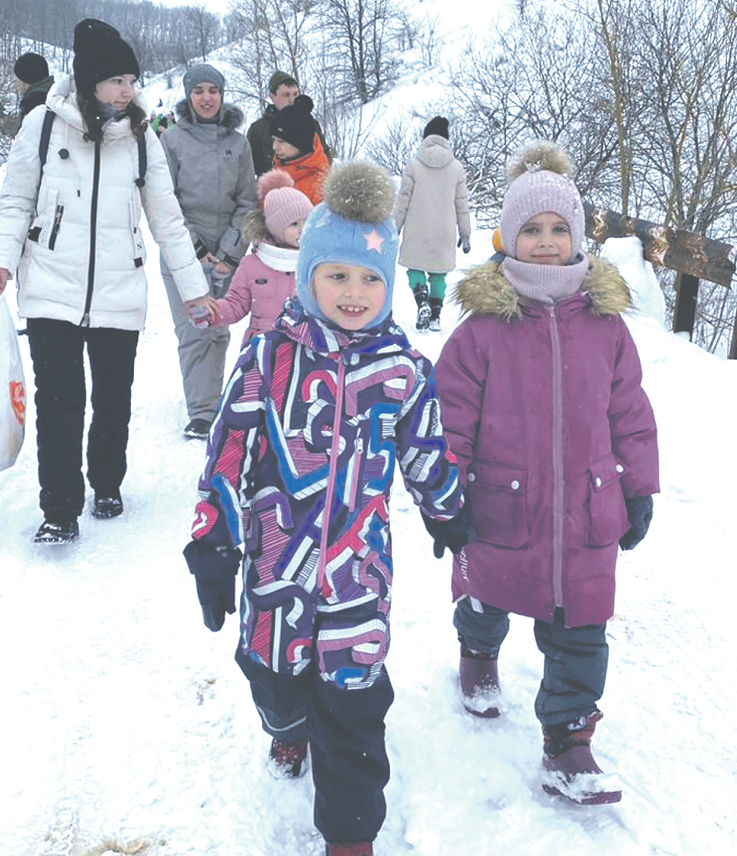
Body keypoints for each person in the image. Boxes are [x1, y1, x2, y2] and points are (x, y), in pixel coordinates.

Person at [183, 161, 468, 856]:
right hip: (277, 573)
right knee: (278, 690)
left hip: (356, 578)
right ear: (307, 273)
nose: (354, 291)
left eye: (371, 278)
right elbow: (226, 457)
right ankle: (285, 730)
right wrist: (212, 542)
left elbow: (426, 449)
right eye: (337, 274)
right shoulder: (267, 359)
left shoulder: (403, 369)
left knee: (354, 705)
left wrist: (448, 508)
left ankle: (350, 835)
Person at [434, 141, 659, 805]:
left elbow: (631, 412)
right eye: (530, 229)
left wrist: (639, 486)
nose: (545, 241)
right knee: (488, 596)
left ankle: (568, 742)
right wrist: (445, 497)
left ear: (579, 237)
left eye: (559, 229)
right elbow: (449, 419)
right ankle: (477, 653)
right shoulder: (481, 329)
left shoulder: (606, 325)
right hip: (503, 505)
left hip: (587, 510)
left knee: (583, 629)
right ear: (509, 237)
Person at [0, 19, 210, 545]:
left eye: (131, 80)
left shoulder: (143, 139)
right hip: (50, 289)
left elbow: (167, 219)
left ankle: (106, 481)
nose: (128, 90)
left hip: (118, 288)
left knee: (112, 396)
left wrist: (195, 289)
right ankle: (59, 508)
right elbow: (15, 201)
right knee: (59, 400)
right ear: (89, 82)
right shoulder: (41, 126)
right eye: (117, 80)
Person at [158, 63, 258, 440]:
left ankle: (213, 400)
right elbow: (164, 202)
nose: (205, 97)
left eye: (212, 90)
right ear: (188, 95)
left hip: (227, 250)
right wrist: (195, 249)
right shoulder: (172, 140)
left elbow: (248, 202)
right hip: (182, 250)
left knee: (219, 330)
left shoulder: (238, 143)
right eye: (197, 90)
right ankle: (202, 413)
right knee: (195, 329)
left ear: (222, 94)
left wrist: (230, 251)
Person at [199, 169, 313, 343]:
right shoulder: (253, 265)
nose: (302, 229)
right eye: (294, 224)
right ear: (276, 228)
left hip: (304, 350)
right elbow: (235, 304)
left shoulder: (315, 263)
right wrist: (211, 312)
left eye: (307, 221)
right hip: (262, 349)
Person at [392, 116, 471, 333]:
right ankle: (435, 316)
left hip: (417, 228)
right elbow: (461, 203)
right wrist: (465, 234)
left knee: (415, 268)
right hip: (444, 230)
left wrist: (394, 228)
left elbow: (403, 199)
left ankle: (421, 300)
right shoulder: (456, 167)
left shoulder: (414, 164)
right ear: (446, 139)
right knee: (439, 273)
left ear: (426, 137)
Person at [246, 70, 334, 178]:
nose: (292, 100)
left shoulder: (310, 124)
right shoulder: (258, 129)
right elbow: (249, 169)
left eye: (295, 94)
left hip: (309, 188)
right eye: (286, 95)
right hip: (274, 189)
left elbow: (325, 157)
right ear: (272, 97)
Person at [269, 94, 330, 204]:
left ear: (301, 142)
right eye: (273, 140)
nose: (275, 147)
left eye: (281, 141)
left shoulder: (321, 186)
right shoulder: (275, 173)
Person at [13, 51, 54, 125]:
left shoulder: (32, 106)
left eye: (18, 79)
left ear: (25, 80)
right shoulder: (55, 96)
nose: (16, 84)